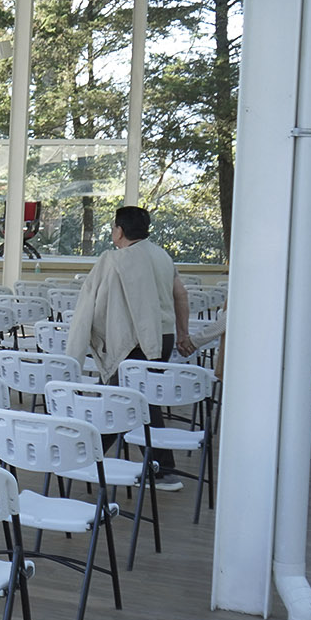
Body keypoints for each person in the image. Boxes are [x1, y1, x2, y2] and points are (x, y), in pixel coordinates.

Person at [67, 205, 196, 491]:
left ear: (120, 231)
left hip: (131, 339)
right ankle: (163, 469)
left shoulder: (113, 260)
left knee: (115, 400)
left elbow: (91, 300)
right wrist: (184, 333)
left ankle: (86, 457)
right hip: (162, 337)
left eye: (114, 228)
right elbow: (181, 295)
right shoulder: (161, 255)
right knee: (145, 400)